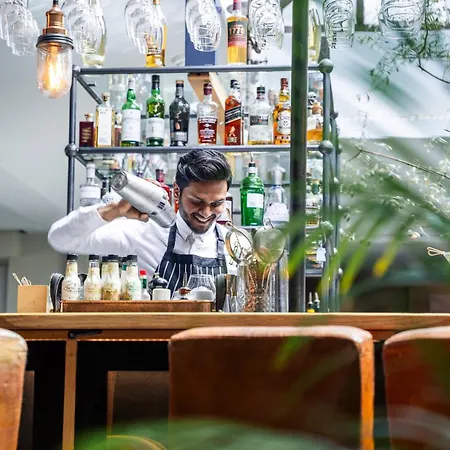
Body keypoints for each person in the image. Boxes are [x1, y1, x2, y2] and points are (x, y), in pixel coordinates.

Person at [48, 149, 234, 293]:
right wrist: (114, 210)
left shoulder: (233, 246)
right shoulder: (143, 232)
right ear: (177, 192)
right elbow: (60, 239)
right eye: (197, 202)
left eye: (217, 203)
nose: (206, 212)